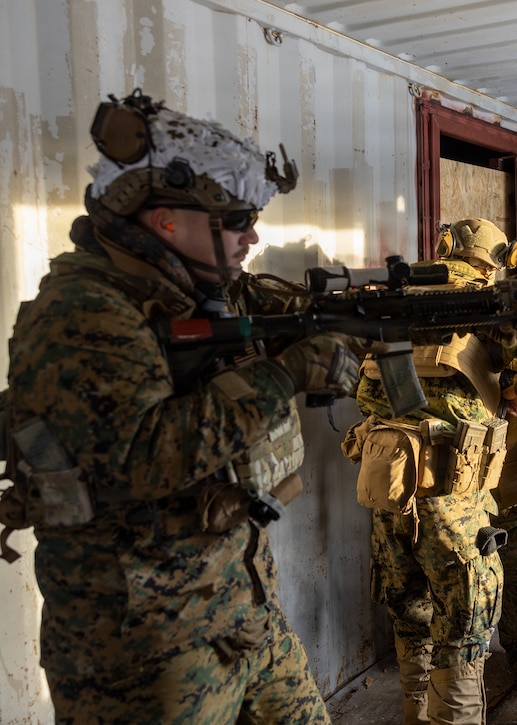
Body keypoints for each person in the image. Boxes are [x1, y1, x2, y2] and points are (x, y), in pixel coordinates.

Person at [0, 90, 358, 723]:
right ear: (164, 220)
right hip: (145, 650)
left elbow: (281, 320)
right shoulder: (82, 313)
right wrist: (285, 375)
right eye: (237, 218)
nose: (253, 235)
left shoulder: (192, 290)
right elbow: (138, 457)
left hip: (239, 610)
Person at [345, 218, 517, 725]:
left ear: (444, 247)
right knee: (464, 628)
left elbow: (361, 390)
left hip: (389, 493)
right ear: (499, 261)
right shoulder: (487, 304)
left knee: (409, 611)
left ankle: (415, 711)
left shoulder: (398, 300)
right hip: (454, 501)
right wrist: (516, 392)